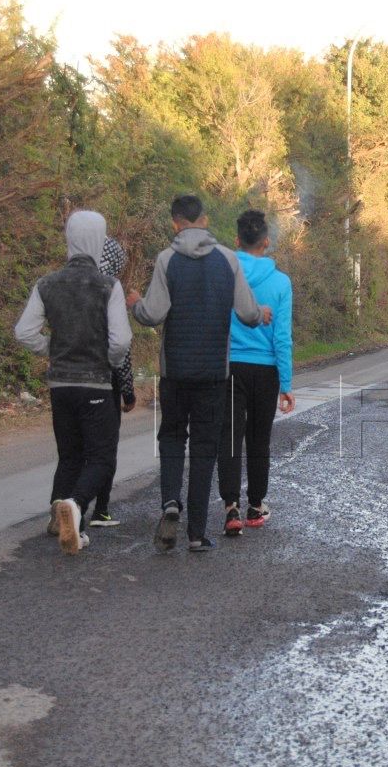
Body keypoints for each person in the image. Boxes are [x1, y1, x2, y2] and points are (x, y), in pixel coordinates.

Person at [126, 194, 270, 553]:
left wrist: (134, 305)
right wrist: (262, 313)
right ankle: (196, 533)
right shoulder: (228, 260)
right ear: (204, 220)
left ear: (176, 223)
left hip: (175, 372)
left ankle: (170, 502)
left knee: (172, 436)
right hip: (213, 374)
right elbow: (248, 313)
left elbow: (152, 314)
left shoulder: (166, 260)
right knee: (206, 446)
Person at [15, 210, 132, 555]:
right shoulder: (108, 285)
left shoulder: (46, 283)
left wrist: (52, 348)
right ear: (99, 240)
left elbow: (24, 333)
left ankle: (57, 509)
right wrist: (106, 361)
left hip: (60, 385)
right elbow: (121, 342)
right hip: (95, 384)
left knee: (69, 454)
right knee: (101, 458)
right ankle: (75, 505)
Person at [217, 210, 295, 538]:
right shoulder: (280, 282)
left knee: (230, 437)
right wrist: (286, 384)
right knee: (259, 438)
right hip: (265, 371)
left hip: (230, 366)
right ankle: (255, 505)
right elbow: (282, 337)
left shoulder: (224, 274)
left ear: (236, 241)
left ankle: (231, 506)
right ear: (266, 241)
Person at [88, 235, 136, 528]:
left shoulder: (71, 281)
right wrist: (128, 390)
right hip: (105, 380)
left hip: (71, 377)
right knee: (105, 447)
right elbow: (121, 346)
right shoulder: (111, 289)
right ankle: (100, 509)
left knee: (76, 448)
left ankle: (65, 502)